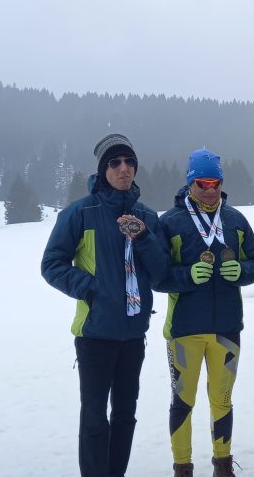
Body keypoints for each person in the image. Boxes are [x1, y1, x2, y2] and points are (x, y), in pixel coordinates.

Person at [41, 133, 170, 477]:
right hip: (95, 334)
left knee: (126, 415)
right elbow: (52, 264)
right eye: (115, 163)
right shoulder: (81, 213)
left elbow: (159, 274)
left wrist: (143, 238)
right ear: (103, 169)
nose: (124, 168)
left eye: (129, 162)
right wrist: (91, 289)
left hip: (132, 336)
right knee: (95, 417)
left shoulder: (146, 215)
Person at [154, 149, 254, 477]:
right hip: (185, 330)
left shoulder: (235, 220)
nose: (210, 189)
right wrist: (186, 276)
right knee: (183, 402)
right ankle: (182, 467)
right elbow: (157, 276)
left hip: (226, 328)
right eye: (202, 183)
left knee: (223, 399)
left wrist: (241, 271)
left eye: (215, 182)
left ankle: (222, 464)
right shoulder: (170, 222)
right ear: (190, 183)